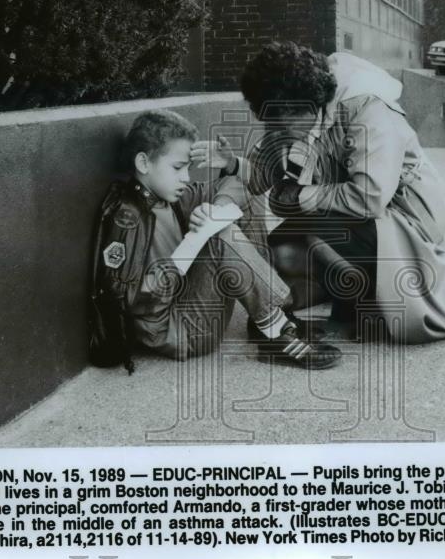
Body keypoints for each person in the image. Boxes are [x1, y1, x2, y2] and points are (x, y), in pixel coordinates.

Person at [198, 41, 445, 344]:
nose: (277, 134)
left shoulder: (367, 106)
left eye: (281, 125)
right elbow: (265, 176)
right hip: (360, 218)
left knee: (312, 229)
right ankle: (352, 288)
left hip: (410, 223)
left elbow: (370, 197)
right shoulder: (296, 114)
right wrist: (232, 164)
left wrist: (300, 196)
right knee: (281, 249)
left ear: (303, 107)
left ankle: (369, 301)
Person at [87, 109, 341, 373]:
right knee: (219, 233)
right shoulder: (129, 218)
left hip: (192, 302)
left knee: (234, 209)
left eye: (188, 167)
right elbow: (133, 300)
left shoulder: (168, 196)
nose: (186, 177)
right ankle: (276, 331)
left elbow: (241, 185)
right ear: (143, 163)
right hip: (180, 332)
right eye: (177, 167)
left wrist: (218, 204)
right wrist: (195, 242)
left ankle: (268, 318)